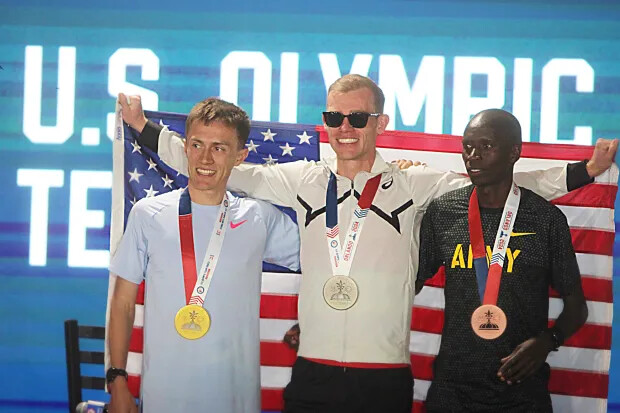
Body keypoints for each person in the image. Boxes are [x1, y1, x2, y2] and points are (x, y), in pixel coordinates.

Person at [121, 75, 616, 413]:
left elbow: (502, 180)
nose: (345, 128)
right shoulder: (302, 180)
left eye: (358, 119)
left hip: (383, 380)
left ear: (380, 123)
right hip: (312, 376)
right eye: (335, 117)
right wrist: (145, 129)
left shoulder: (414, 183)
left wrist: (584, 172)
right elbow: (211, 163)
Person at [107, 97, 300, 413]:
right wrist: (117, 380)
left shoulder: (259, 218)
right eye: (197, 144)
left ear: (240, 156)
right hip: (163, 398)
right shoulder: (147, 214)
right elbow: (123, 303)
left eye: (219, 148)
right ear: (185, 147)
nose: (205, 158)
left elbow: (322, 264)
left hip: (236, 400)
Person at [414, 109, 595, 412]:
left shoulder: (545, 220)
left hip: (521, 393)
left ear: (514, 152)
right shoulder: (443, 212)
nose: (473, 156)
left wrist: (546, 342)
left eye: (486, 146)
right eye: (467, 146)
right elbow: (410, 282)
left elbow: (577, 307)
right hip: (452, 393)